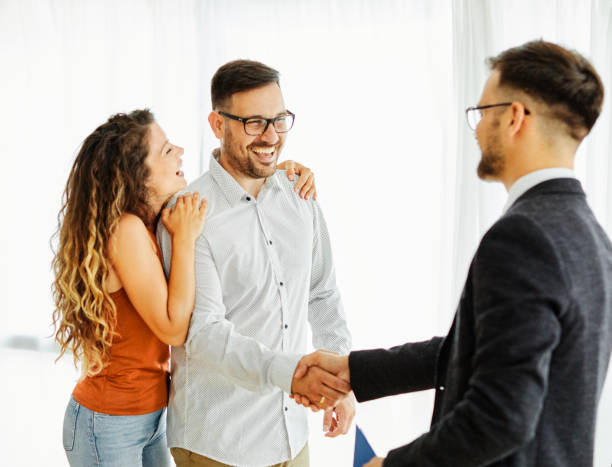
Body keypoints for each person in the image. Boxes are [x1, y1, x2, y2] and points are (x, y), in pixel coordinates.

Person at [294, 40, 612, 467]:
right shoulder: (590, 235)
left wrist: (389, 466)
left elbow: (500, 418)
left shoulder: (522, 237)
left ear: (515, 117)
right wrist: (355, 369)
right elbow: (488, 350)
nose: (477, 128)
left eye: (482, 113)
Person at [52, 109, 318, 466]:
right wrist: (186, 239)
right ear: (136, 174)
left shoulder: (147, 224)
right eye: (164, 151)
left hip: (147, 418)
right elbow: (175, 329)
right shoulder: (126, 230)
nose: (179, 151)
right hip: (109, 424)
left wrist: (282, 172)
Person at [157, 59, 355, 467]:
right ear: (217, 124)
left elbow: (322, 293)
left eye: (279, 120)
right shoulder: (190, 214)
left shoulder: (301, 196)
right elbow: (205, 333)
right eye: (254, 123)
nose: (271, 137)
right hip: (220, 442)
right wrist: (294, 373)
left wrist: (342, 379)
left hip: (291, 433)